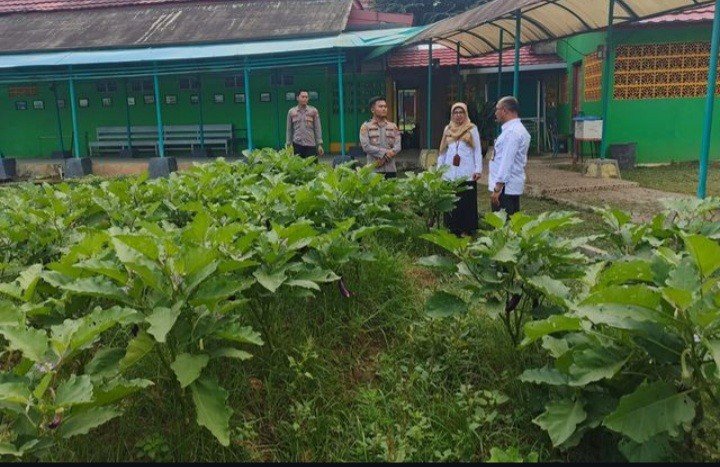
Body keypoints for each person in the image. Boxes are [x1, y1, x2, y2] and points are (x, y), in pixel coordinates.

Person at [436, 102, 483, 237]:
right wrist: (440, 169)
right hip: (450, 173)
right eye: (455, 113)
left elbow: (477, 150)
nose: (458, 115)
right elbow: (443, 151)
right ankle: (452, 227)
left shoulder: (471, 128)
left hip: (467, 171)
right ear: (452, 115)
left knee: (466, 200)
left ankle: (467, 229)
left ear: (465, 113)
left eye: (461, 112)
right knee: (451, 200)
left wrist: (478, 169)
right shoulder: (448, 129)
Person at [488, 96, 530, 216]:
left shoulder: (512, 132)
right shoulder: (513, 130)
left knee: (504, 225)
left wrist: (497, 188)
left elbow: (506, 162)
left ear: (504, 110)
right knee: (511, 222)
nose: (495, 113)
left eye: (497, 109)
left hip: (505, 187)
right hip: (509, 186)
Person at [359, 96, 401, 179]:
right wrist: (385, 153)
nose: (384, 109)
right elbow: (366, 147)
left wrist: (384, 159)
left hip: (390, 169)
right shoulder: (366, 126)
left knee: (391, 191)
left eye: (385, 107)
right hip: (374, 170)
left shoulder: (393, 126)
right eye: (380, 106)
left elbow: (398, 146)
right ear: (372, 110)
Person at [286, 89, 324, 160]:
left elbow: (317, 129)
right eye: (302, 97)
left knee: (312, 168)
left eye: (306, 97)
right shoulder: (291, 112)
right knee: (298, 168)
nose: (305, 99)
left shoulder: (313, 111)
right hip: (297, 145)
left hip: (311, 145)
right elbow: (289, 129)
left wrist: (319, 145)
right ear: (297, 98)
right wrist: (289, 144)